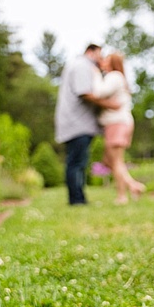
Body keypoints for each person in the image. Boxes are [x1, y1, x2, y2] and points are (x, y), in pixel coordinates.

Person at [54, 44, 119, 205]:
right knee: (77, 163)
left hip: (75, 123)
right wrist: (110, 105)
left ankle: (78, 198)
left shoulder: (78, 65)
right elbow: (85, 93)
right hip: (77, 124)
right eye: (100, 54)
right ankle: (77, 200)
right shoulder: (82, 65)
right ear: (91, 51)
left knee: (77, 162)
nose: (101, 58)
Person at [95, 52, 146, 204]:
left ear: (112, 63)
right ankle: (133, 186)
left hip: (117, 123)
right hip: (119, 123)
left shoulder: (114, 76)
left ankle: (122, 196)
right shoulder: (119, 78)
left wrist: (95, 75)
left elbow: (99, 92)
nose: (102, 62)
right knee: (110, 161)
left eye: (106, 60)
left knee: (116, 162)